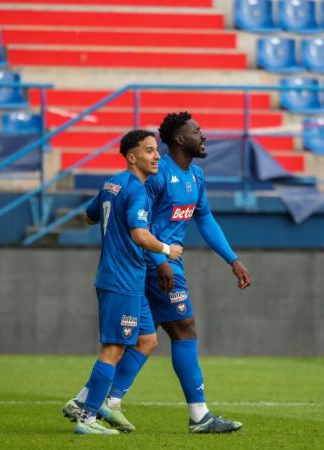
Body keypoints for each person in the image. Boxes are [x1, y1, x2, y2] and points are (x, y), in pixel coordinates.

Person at [64, 112, 252, 433]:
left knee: (147, 340)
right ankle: (198, 416)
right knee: (182, 330)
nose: (203, 136)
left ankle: (91, 401)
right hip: (151, 265)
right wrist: (161, 259)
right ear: (179, 139)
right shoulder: (154, 175)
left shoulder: (196, 176)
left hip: (156, 264)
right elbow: (140, 222)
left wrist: (231, 258)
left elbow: (204, 219)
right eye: (197, 131)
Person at [68, 129, 183, 435]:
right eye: (149, 151)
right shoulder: (136, 190)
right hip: (122, 279)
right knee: (113, 349)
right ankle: (87, 416)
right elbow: (139, 234)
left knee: (147, 340)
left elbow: (89, 216)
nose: (157, 155)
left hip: (126, 279)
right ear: (132, 157)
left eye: (157, 150)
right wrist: (167, 249)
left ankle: (88, 399)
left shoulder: (111, 183)